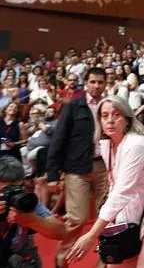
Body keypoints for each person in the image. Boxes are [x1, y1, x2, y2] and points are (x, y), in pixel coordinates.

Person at [66, 95, 144, 267]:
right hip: (135, 209)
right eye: (104, 115)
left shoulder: (136, 145)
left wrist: (92, 234)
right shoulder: (107, 145)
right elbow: (115, 186)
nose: (110, 120)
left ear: (127, 119)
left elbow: (122, 192)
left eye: (116, 115)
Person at [46, 67, 108, 268]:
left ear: (105, 84)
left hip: (104, 167)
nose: (96, 86)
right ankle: (62, 260)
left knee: (107, 219)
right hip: (76, 169)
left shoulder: (110, 106)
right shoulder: (74, 106)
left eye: (100, 82)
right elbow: (58, 140)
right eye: (93, 82)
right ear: (86, 83)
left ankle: (105, 262)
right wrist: (53, 175)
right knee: (77, 220)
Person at [0, 155, 69, 268]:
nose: (14, 194)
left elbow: (62, 232)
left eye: (18, 188)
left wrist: (33, 220)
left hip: (22, 257)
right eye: (7, 191)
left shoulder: (24, 200)